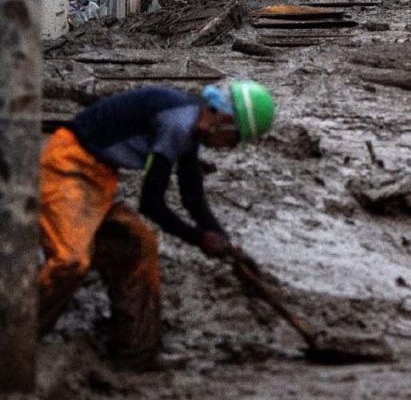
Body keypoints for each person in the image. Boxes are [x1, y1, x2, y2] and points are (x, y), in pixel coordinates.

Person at [37, 80, 275, 367]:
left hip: (98, 177)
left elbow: (192, 196)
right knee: (69, 261)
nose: (229, 147)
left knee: (137, 246)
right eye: (235, 138)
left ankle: (136, 354)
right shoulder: (177, 124)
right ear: (224, 121)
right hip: (66, 167)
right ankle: (15, 334)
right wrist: (200, 239)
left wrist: (224, 241)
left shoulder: (189, 121)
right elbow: (151, 203)